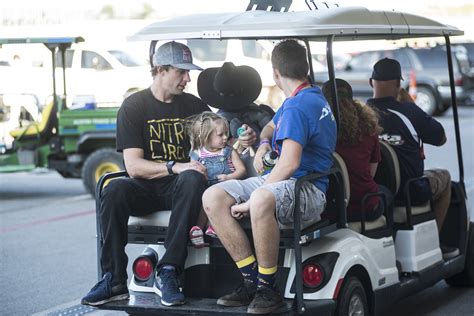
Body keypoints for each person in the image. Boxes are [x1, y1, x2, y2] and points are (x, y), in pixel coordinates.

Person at [202, 39, 337, 314]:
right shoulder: (299, 99)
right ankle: (251, 280)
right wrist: (263, 143)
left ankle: (267, 287)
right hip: (286, 183)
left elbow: (288, 165)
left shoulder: (300, 106)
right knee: (213, 196)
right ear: (305, 67)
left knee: (262, 197)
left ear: (275, 72)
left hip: (308, 189)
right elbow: (270, 129)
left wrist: (249, 202)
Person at [81, 41, 212, 307]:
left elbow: (217, 142)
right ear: (160, 69)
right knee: (113, 189)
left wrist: (245, 137)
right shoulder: (134, 106)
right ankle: (114, 279)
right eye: (181, 72)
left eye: (189, 72)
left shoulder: (194, 105)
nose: (188, 78)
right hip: (147, 187)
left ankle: (169, 271)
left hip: (183, 188)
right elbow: (133, 166)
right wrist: (173, 165)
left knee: (192, 177)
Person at [366, 58, 456, 258]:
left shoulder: (361, 115)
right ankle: (436, 243)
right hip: (410, 190)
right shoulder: (408, 111)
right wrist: (410, 105)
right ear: (399, 84)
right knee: (445, 178)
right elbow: (441, 138)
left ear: (371, 82)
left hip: (374, 191)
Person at [322, 78, 392, 222]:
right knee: (387, 193)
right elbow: (371, 173)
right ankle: (388, 239)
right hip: (363, 204)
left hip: (330, 208)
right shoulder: (368, 127)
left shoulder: (319, 127)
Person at [187, 111, 247, 247]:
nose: (225, 137)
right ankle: (198, 230)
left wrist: (228, 177)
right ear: (205, 137)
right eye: (220, 135)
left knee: (220, 205)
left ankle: (213, 227)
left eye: (226, 133)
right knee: (205, 204)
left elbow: (242, 170)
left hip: (227, 189)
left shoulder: (229, 151)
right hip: (207, 190)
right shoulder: (197, 154)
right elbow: (193, 172)